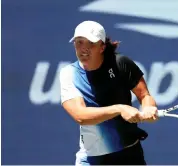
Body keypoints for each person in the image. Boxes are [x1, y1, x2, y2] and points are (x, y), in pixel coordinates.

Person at [59, 20, 158, 165]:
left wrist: (148, 107)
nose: (84, 49)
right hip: (92, 158)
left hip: (129, 155)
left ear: (102, 47)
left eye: (91, 43)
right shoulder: (69, 73)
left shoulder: (121, 64)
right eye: (79, 42)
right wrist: (120, 109)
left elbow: (144, 95)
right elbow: (80, 116)